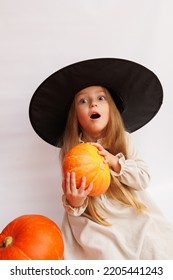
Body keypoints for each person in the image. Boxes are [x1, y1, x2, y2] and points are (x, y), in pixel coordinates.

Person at [29, 58, 173, 259]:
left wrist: (115, 162)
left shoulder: (123, 140)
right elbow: (74, 199)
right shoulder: (73, 152)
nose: (93, 103)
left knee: (156, 243)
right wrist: (75, 200)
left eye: (101, 98)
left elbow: (143, 178)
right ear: (75, 116)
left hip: (128, 209)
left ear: (111, 109)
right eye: (83, 101)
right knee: (105, 253)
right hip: (95, 218)